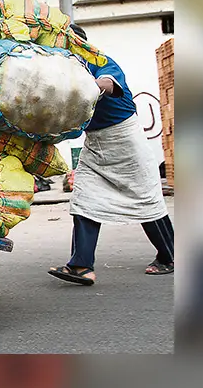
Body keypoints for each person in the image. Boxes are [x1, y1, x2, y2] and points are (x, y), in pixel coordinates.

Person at [47, 24, 174, 285]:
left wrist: (88, 87)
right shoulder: (64, 72)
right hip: (96, 144)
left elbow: (109, 84)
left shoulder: (100, 61)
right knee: (85, 198)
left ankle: (170, 256)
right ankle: (81, 266)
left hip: (126, 141)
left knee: (145, 201)